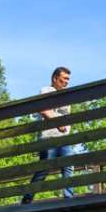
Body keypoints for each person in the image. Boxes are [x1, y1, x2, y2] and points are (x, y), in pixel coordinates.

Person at [22, 67, 76, 204]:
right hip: (48, 137)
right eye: (64, 78)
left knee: (68, 166)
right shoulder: (46, 91)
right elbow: (42, 109)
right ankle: (27, 198)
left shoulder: (66, 96)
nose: (66, 82)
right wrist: (57, 122)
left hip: (64, 138)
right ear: (55, 78)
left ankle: (69, 197)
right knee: (44, 169)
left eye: (68, 79)